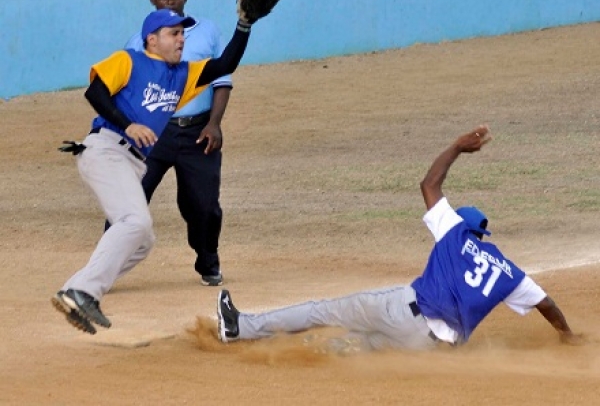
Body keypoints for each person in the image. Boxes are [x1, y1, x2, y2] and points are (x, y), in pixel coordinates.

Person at [216, 125, 583, 352]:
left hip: (405, 312)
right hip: (434, 350)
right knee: (355, 347)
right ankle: (285, 354)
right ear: (483, 236)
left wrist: (456, 147)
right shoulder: (509, 271)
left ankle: (240, 329)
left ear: (462, 224)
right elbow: (547, 304)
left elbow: (429, 184)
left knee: (321, 311)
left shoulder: (454, 234)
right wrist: (566, 335)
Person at [51, 0, 275, 335]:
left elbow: (224, 66)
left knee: (141, 241)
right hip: (106, 149)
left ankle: (76, 289)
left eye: (184, 33)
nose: (181, 39)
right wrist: (127, 124)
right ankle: (82, 290)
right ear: (152, 39)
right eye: (174, 34)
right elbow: (95, 92)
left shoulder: (182, 75)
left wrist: (244, 25)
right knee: (134, 223)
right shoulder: (130, 60)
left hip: (131, 161)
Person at [108, 0, 231, 287]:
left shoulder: (206, 32)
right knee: (128, 200)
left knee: (203, 205)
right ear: (152, 1)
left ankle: (208, 261)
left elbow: (221, 80)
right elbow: (123, 91)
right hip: (153, 135)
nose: (170, 0)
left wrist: (214, 123)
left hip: (198, 132)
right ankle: (104, 268)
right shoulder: (138, 42)